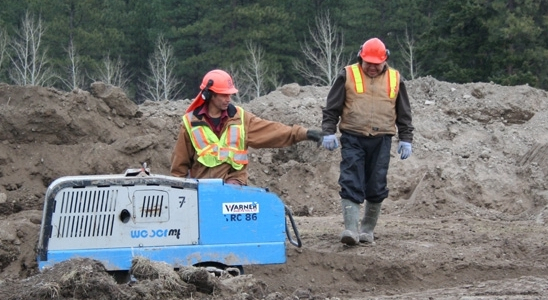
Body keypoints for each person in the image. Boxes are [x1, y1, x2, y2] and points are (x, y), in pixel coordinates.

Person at [321, 37, 414, 246]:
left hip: (382, 139)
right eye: (368, 63)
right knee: (350, 180)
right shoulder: (348, 74)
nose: (372, 68)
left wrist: (406, 138)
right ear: (360, 58)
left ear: (385, 60)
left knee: (376, 184)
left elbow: (404, 112)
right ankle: (351, 230)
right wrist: (328, 131)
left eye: (376, 64)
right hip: (353, 137)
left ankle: (367, 230)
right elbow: (332, 107)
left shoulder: (395, 78)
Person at [171, 69, 323, 185]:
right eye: (224, 95)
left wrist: (306, 133)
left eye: (230, 94)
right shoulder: (190, 123)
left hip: (234, 187)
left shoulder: (240, 118)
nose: (228, 99)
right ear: (209, 95)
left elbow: (274, 131)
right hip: (204, 192)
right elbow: (180, 166)